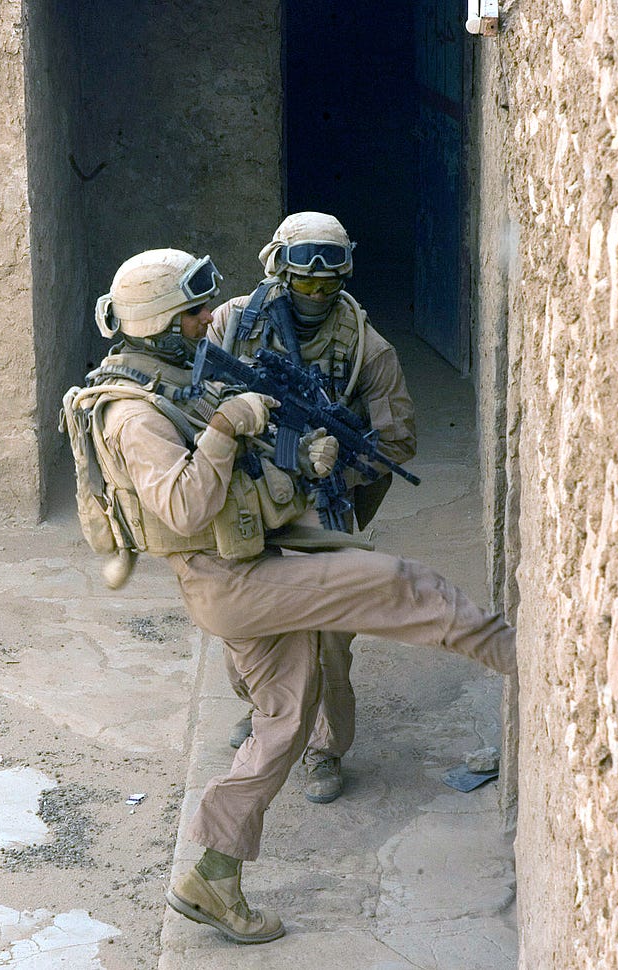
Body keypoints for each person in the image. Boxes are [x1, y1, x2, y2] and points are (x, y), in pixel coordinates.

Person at [80, 248, 514, 943]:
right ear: (160, 323)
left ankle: (213, 877)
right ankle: (535, 665)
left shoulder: (168, 376)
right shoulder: (133, 414)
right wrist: (228, 428)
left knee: (282, 721)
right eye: (193, 313)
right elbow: (185, 508)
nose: (205, 322)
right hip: (232, 581)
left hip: (252, 558)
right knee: (398, 584)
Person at [209, 212, 417, 803]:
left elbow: (397, 439)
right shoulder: (234, 323)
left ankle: (323, 748)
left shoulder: (365, 349)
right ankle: (266, 709)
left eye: (330, 282)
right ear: (279, 270)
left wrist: (340, 462)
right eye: (305, 281)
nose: (319, 293)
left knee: (327, 635)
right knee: (245, 616)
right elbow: (194, 397)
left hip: (320, 503)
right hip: (248, 493)